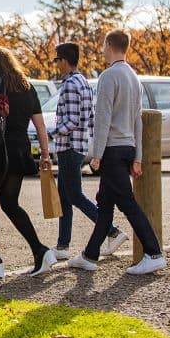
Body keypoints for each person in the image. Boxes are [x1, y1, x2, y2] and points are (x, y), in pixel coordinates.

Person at [67, 30, 167, 275]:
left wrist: (97, 154)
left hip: (111, 150)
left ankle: (154, 253)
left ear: (109, 45)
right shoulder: (134, 77)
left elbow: (103, 118)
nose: (101, 49)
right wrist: (138, 157)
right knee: (105, 204)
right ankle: (90, 256)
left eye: (103, 45)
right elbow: (137, 121)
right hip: (127, 148)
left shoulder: (109, 76)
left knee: (127, 203)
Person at [0, 46, 57, 279]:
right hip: (20, 151)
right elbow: (40, 125)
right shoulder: (27, 87)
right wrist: (45, 155)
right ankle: (40, 251)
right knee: (9, 204)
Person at [49, 42, 127, 260]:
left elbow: (72, 120)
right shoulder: (82, 82)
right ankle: (63, 246)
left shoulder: (70, 84)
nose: (57, 64)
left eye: (57, 60)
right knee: (65, 197)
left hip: (69, 147)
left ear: (64, 60)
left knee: (74, 196)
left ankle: (112, 231)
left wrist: (50, 134)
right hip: (78, 145)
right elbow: (90, 118)